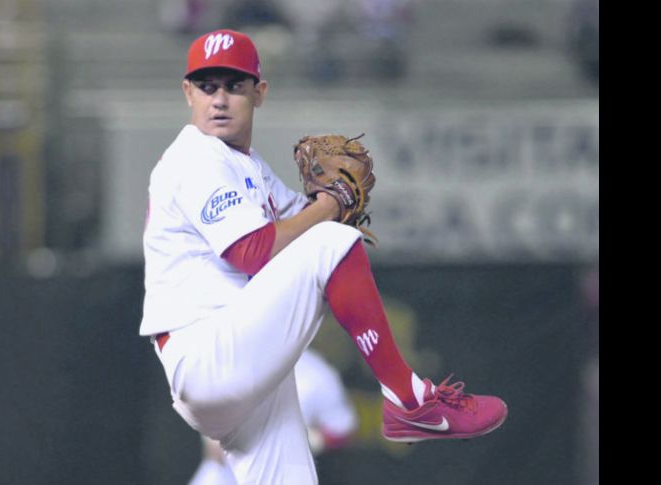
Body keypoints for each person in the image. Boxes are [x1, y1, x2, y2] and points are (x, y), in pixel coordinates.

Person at [140, 28, 508, 484]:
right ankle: (409, 400)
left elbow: (312, 221)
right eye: (207, 86)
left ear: (260, 93)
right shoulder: (196, 158)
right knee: (330, 244)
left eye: (233, 86)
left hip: (243, 369)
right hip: (207, 353)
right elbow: (253, 252)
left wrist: (335, 203)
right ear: (187, 92)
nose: (219, 99)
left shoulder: (249, 169)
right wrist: (330, 206)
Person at [188, 348, 358, 485]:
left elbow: (342, 429)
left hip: (283, 473)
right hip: (225, 473)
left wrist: (307, 440)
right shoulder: (234, 356)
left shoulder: (318, 375)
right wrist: (210, 434)